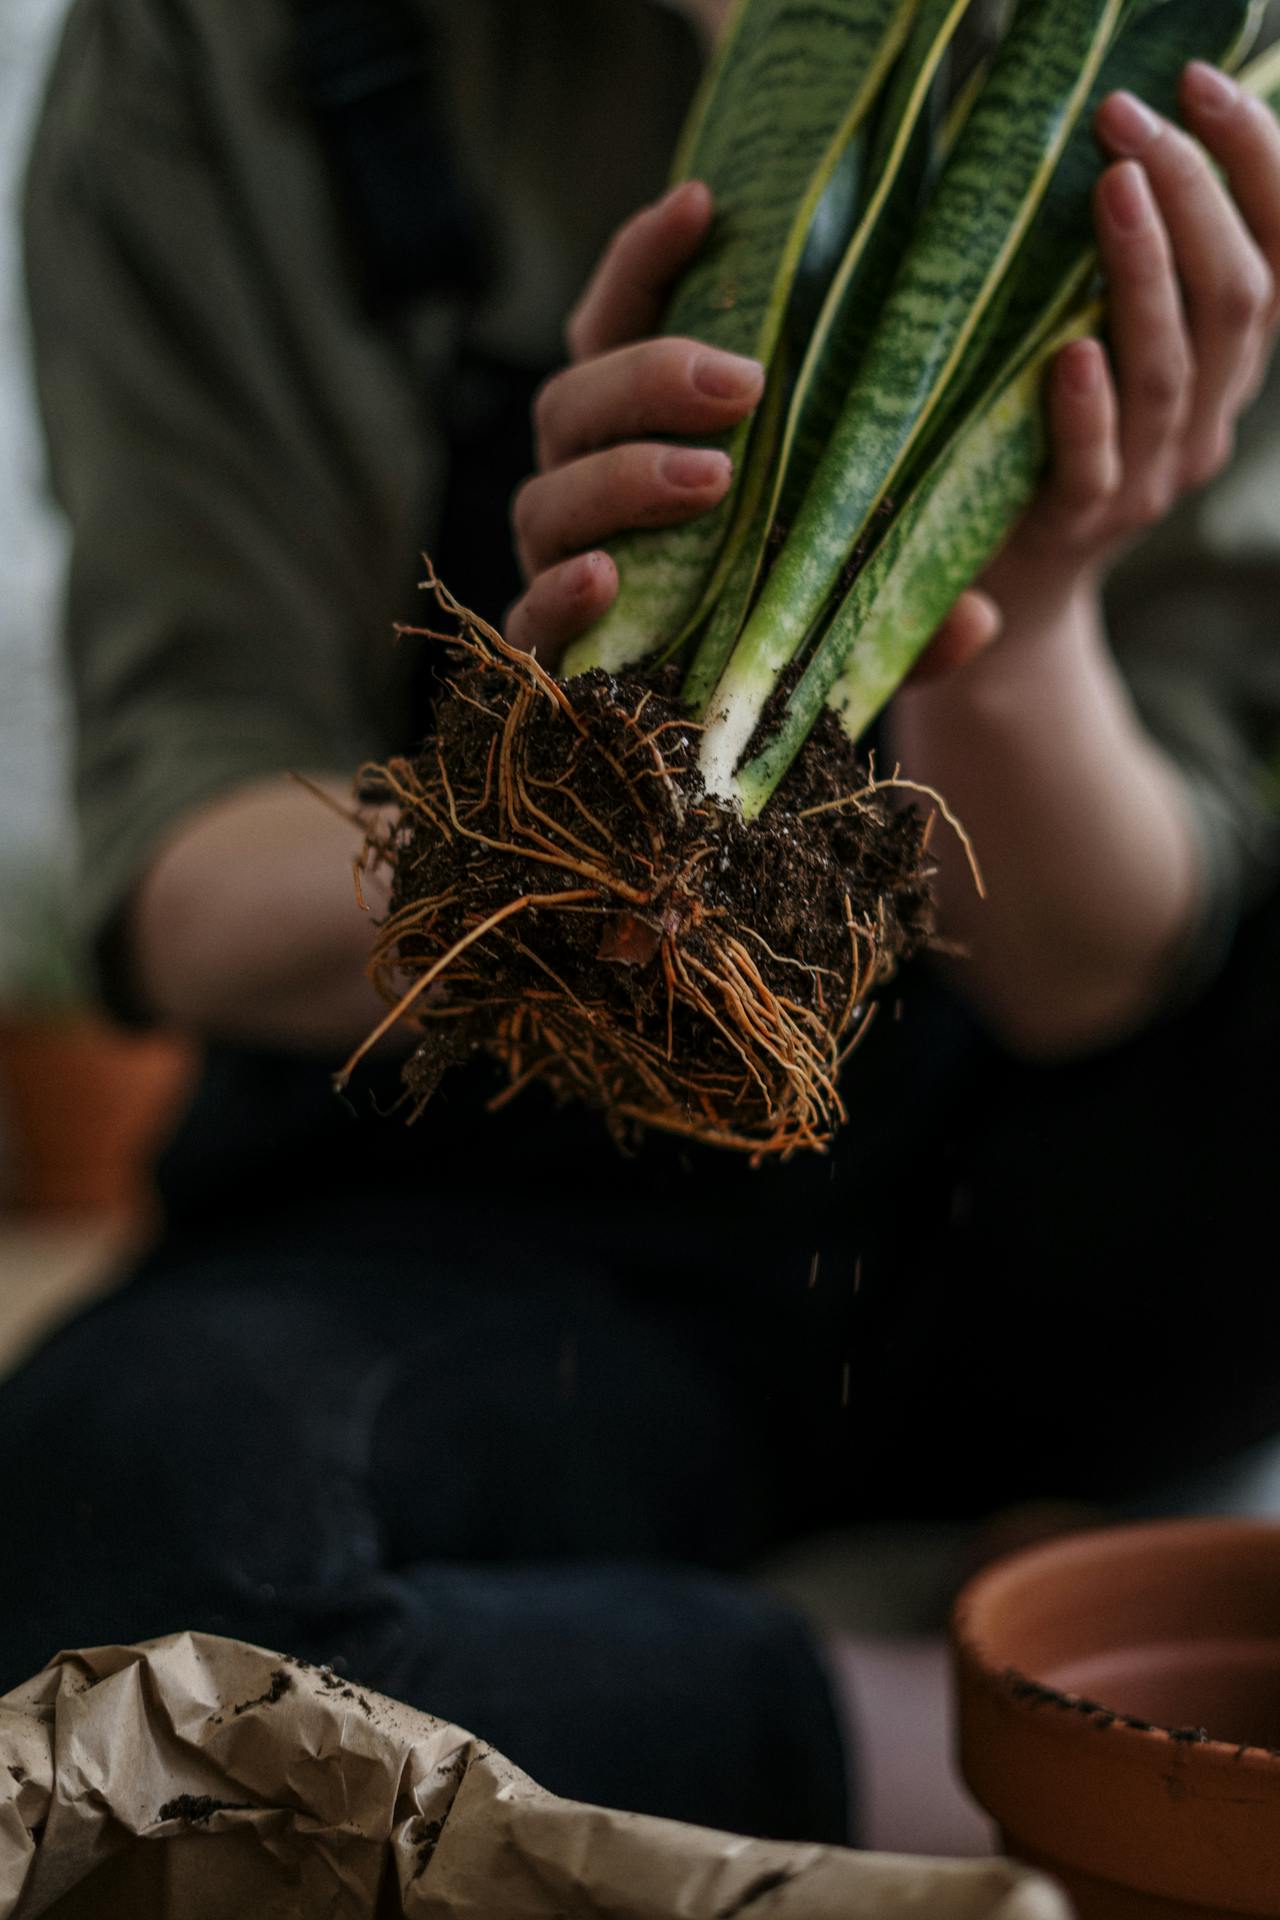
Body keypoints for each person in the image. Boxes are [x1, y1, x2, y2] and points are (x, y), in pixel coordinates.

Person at [3, 0, 1279, 1854]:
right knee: (108, 1579)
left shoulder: (1178, 62)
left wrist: (1025, 605)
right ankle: (970, 1726)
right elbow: (183, 862)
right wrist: (551, 817)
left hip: (1037, 1222)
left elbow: (1106, 973)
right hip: (490, 1201)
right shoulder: (224, 46)